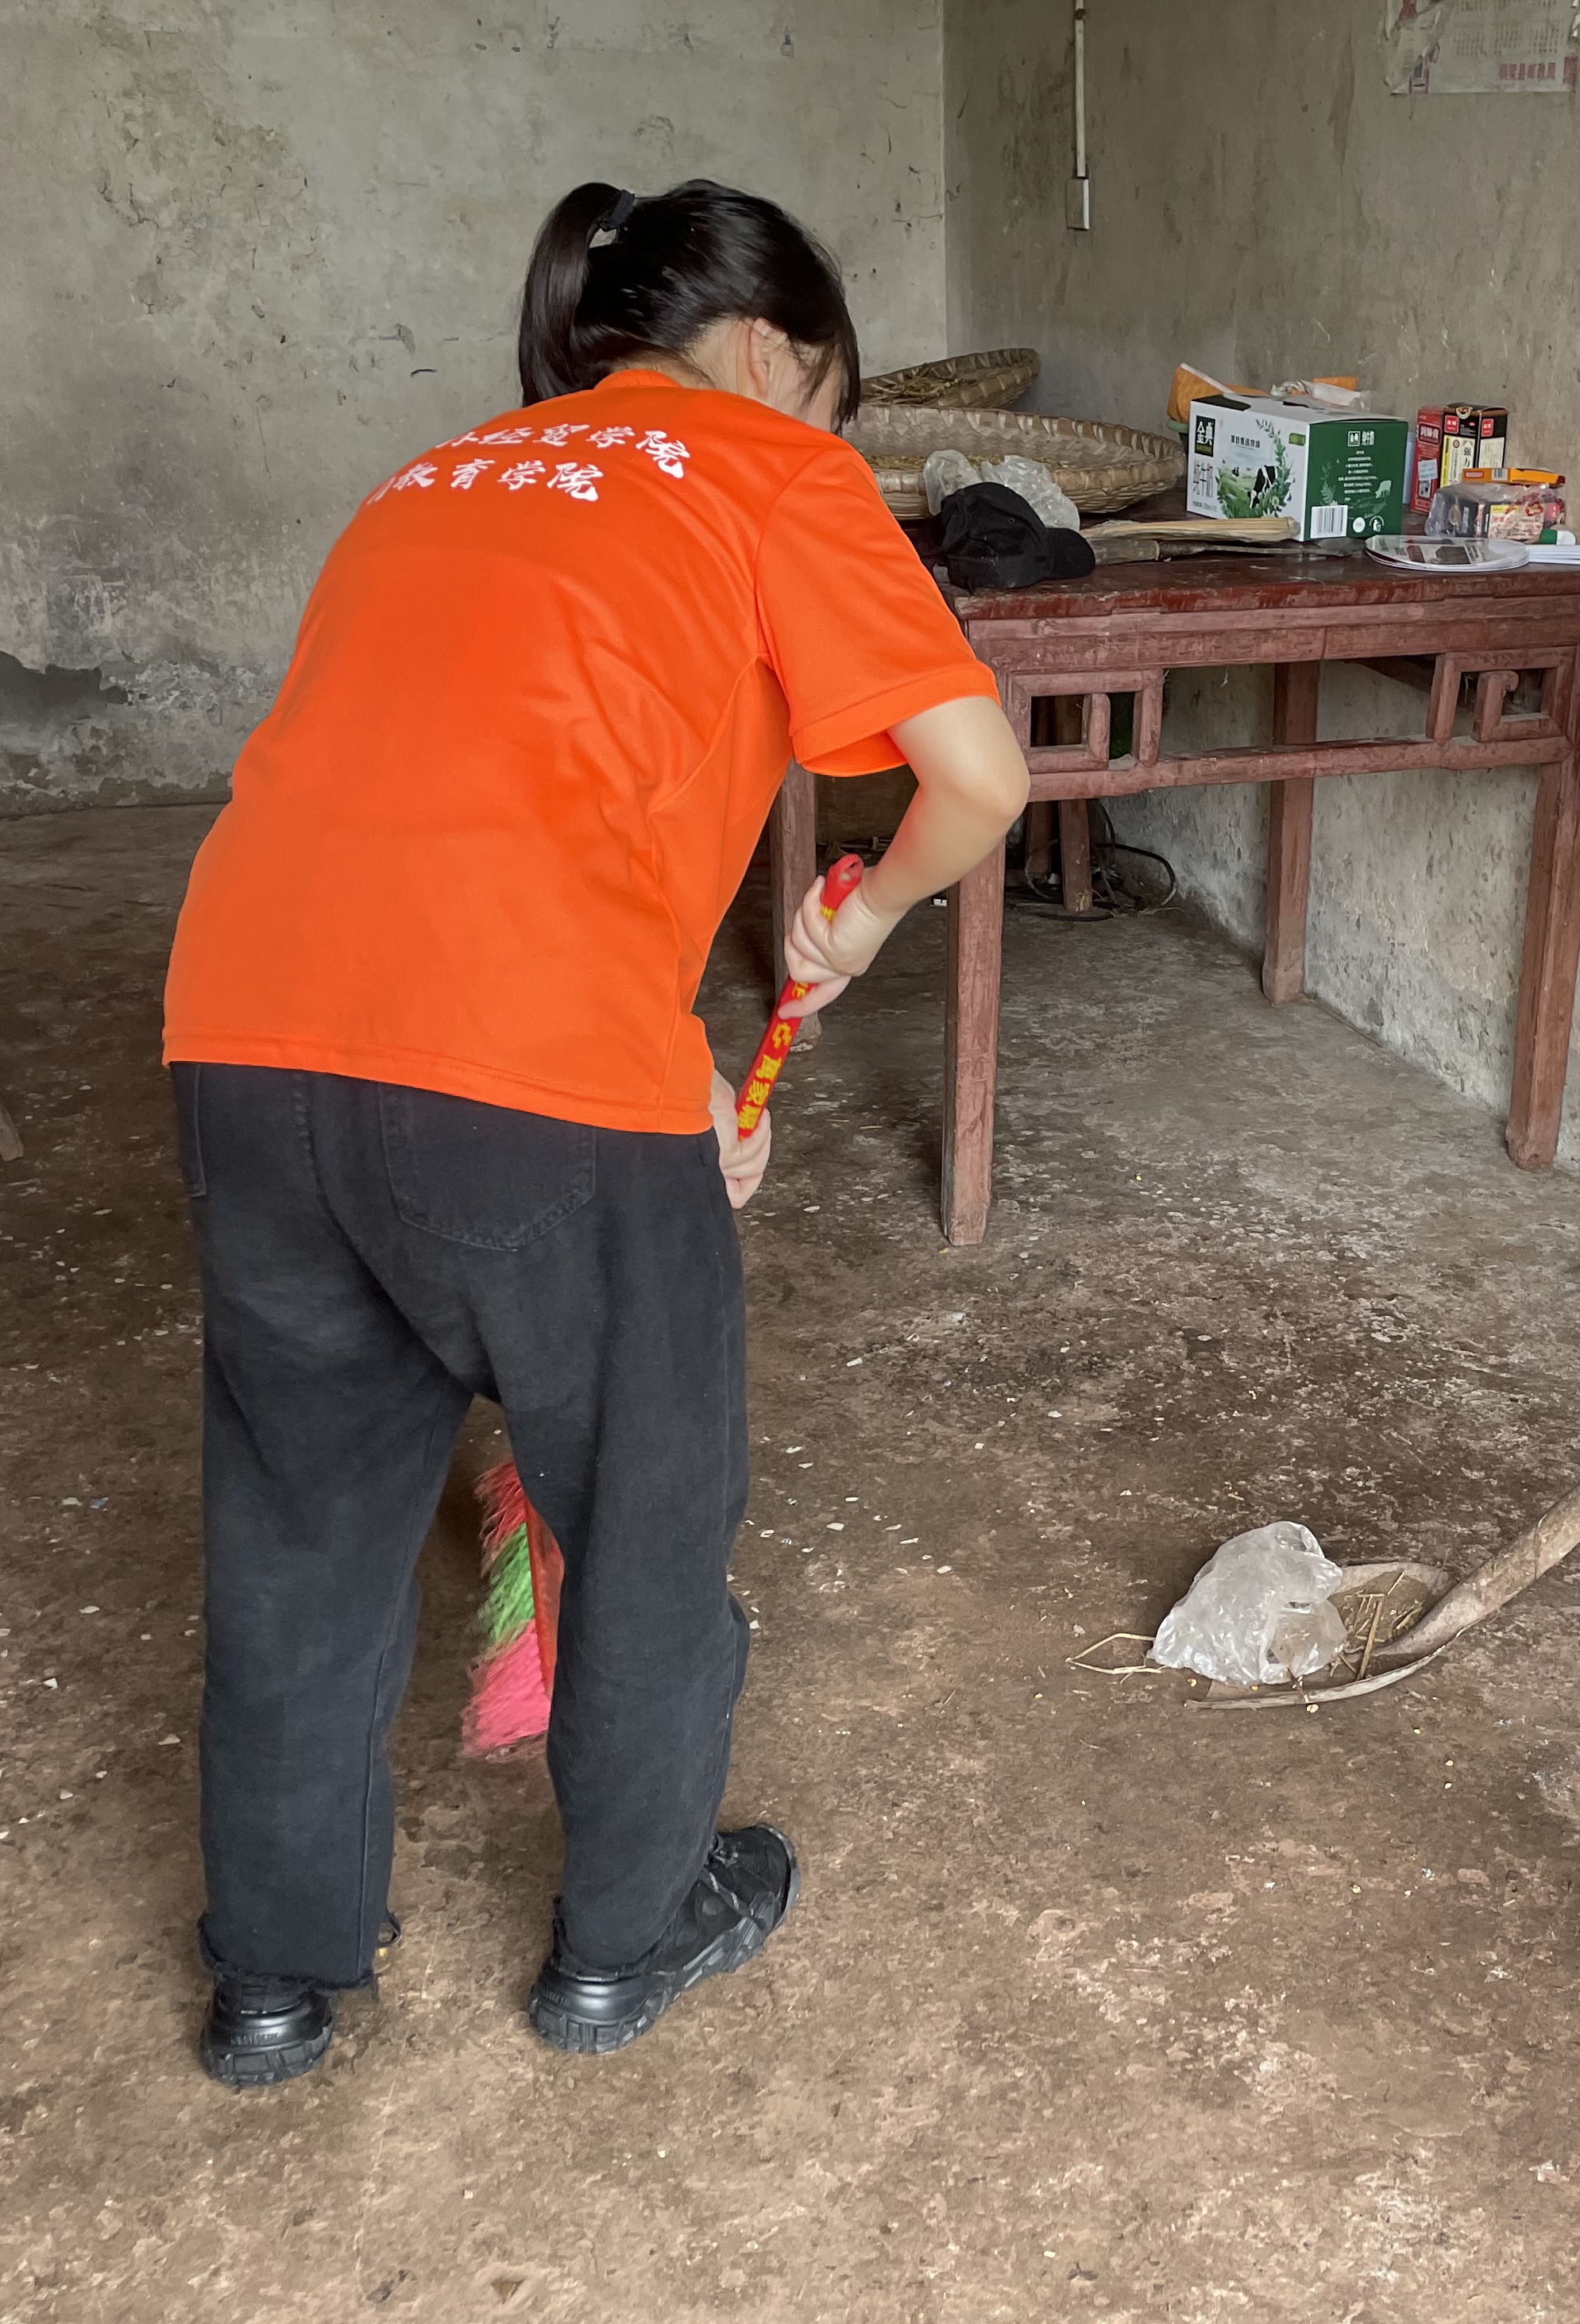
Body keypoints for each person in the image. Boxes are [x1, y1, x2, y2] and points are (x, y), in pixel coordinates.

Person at [160, 178, 1027, 2082]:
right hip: (522, 1059)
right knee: (640, 1505)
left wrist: (673, 1073)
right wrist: (865, 915)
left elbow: (463, 807)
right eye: (834, 389)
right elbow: (981, 780)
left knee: (301, 1524)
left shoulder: (434, 479)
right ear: (780, 349)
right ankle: (627, 1943)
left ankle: (275, 1985)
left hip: (242, 1029)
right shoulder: (772, 469)